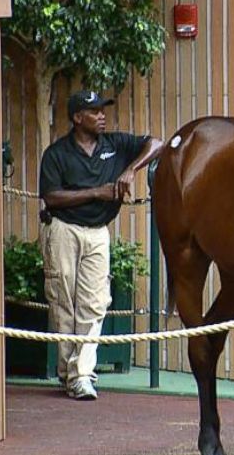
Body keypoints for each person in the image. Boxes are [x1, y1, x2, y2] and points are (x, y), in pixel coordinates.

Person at [38, 90, 163, 400]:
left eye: (102, 110)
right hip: (63, 230)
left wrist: (131, 169)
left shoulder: (116, 145)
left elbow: (157, 143)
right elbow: (51, 197)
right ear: (78, 118)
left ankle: (81, 374)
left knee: (94, 304)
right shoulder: (57, 153)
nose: (102, 116)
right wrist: (97, 192)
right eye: (94, 111)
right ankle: (71, 373)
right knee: (63, 303)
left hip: (98, 232)